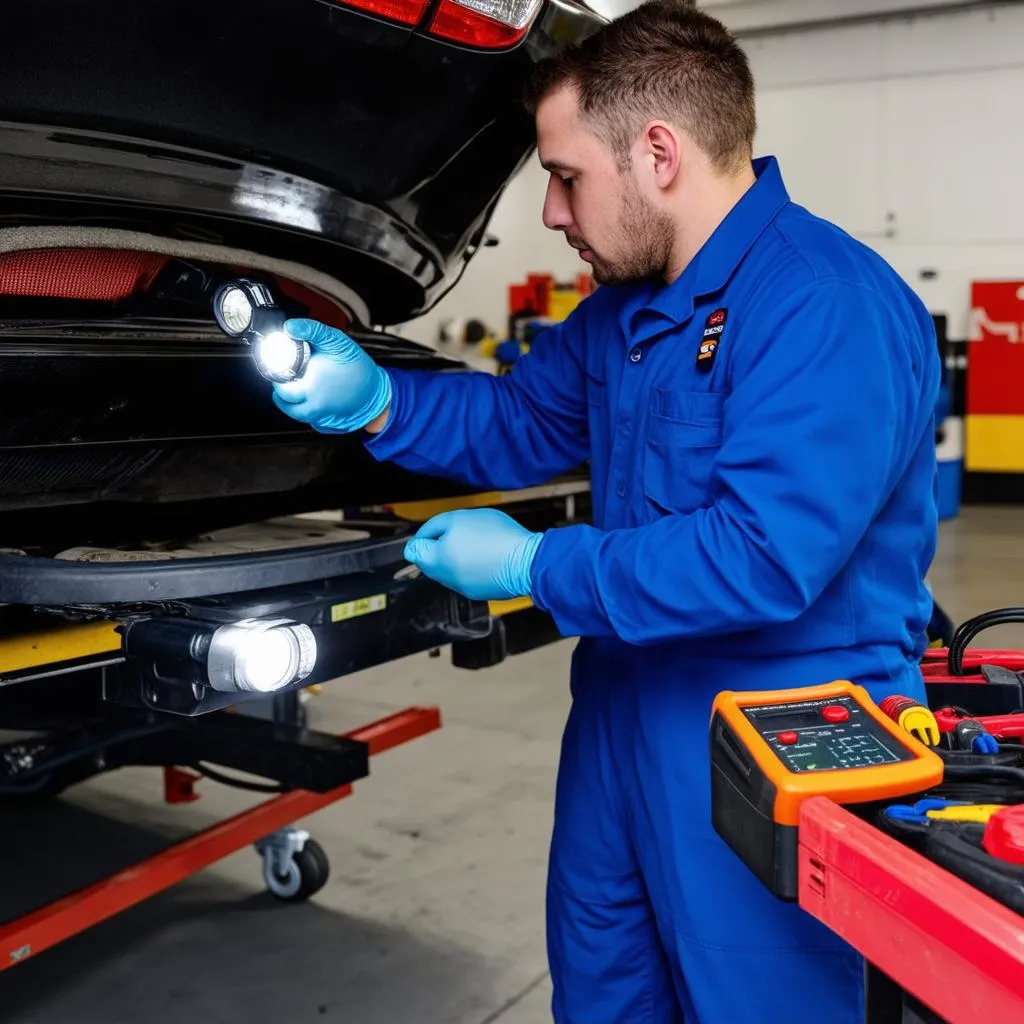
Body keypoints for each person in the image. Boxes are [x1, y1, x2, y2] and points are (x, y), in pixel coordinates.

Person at [268, 2, 940, 1020]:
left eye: (565, 175)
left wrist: (535, 569)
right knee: (603, 990)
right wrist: (380, 399)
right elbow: (518, 420)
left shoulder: (821, 304)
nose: (550, 212)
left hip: (774, 741)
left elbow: (759, 557)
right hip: (621, 714)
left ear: (658, 155)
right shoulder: (627, 311)